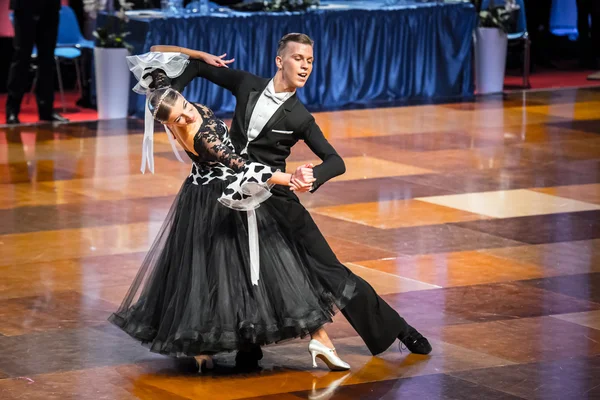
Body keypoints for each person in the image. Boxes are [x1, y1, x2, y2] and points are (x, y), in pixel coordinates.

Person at [151, 33, 432, 367]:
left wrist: (313, 177)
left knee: (330, 271)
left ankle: (398, 328)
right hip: (232, 194)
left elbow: (335, 160)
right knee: (239, 272)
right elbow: (185, 66)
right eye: (299, 58)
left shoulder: (300, 117)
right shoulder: (247, 84)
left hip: (277, 198)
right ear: (279, 61)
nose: (306, 66)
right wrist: (195, 65)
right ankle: (248, 344)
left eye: (310, 61)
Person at [108, 52, 354, 372]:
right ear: (168, 124)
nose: (186, 118)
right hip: (218, 198)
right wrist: (289, 178)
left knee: (257, 262)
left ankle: (317, 337)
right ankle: (203, 342)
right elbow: (245, 167)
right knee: (214, 270)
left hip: (215, 190)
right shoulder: (204, 139)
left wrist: (198, 56)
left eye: (185, 110)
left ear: (180, 95)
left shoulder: (165, 95)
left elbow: (157, 49)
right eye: (177, 121)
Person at [5, 0, 69, 124]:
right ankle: (12, 110)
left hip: (50, 7)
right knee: (21, 58)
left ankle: (46, 110)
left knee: (47, 59)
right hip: (25, 6)